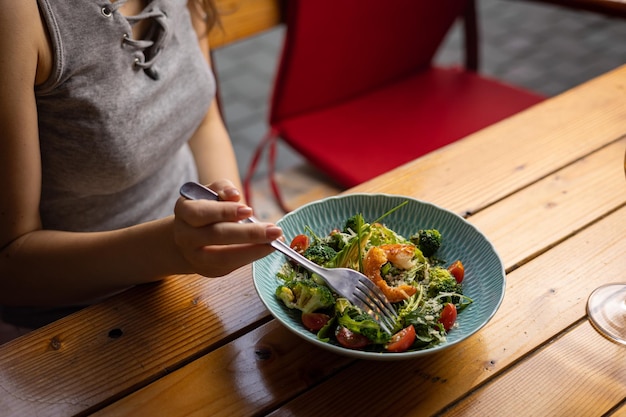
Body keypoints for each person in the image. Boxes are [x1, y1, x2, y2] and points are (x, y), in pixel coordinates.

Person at [0, 0, 283, 341]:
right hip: (73, 325)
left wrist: (230, 229)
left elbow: (205, 123)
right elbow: (10, 267)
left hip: (193, 284)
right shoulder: (16, 13)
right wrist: (174, 250)